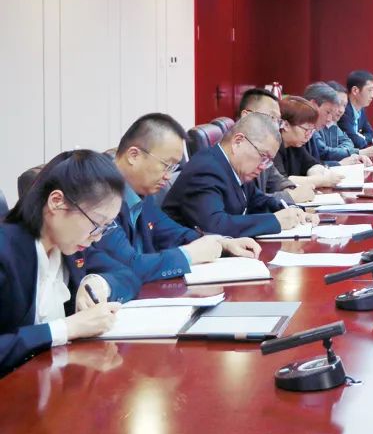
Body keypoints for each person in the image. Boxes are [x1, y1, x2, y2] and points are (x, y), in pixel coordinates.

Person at [83, 114, 262, 299]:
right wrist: (189, 254)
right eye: (166, 165)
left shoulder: (140, 191)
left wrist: (223, 243)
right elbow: (129, 265)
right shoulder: (97, 197)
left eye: (173, 168)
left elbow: (173, 233)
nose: (168, 176)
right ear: (134, 155)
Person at [1, 151, 125, 376]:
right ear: (56, 202)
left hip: (54, 379)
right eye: (96, 224)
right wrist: (66, 328)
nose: (97, 237)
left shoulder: (69, 245)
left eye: (106, 227)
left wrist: (96, 282)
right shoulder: (6, 252)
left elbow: (126, 273)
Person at [163, 113, 318, 238]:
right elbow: (214, 226)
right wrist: (275, 221)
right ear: (238, 142)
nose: (263, 166)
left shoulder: (235, 167)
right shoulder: (205, 169)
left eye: (269, 161)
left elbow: (257, 201)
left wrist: (294, 212)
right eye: (263, 156)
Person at [237, 88, 314, 205]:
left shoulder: (262, 148)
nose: (276, 126)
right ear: (246, 116)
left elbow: (277, 180)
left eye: (278, 121)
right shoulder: (235, 151)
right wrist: (290, 196)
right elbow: (249, 202)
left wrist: (290, 189)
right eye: (272, 118)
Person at [275, 96, 343, 188]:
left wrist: (316, 176)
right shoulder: (272, 147)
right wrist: (322, 181)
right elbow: (281, 181)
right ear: (286, 125)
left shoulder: (295, 145)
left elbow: (313, 164)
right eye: (306, 129)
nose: (308, 135)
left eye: (311, 131)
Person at [305, 82, 366, 166]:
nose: (329, 119)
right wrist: (340, 162)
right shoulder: (308, 129)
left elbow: (348, 142)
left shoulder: (329, 123)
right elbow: (321, 154)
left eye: (344, 105)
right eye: (328, 112)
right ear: (313, 105)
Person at [339, 70, 373, 158]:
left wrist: (362, 137)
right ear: (355, 90)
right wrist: (363, 138)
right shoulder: (343, 111)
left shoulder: (361, 109)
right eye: (369, 90)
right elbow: (355, 141)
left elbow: (371, 134)